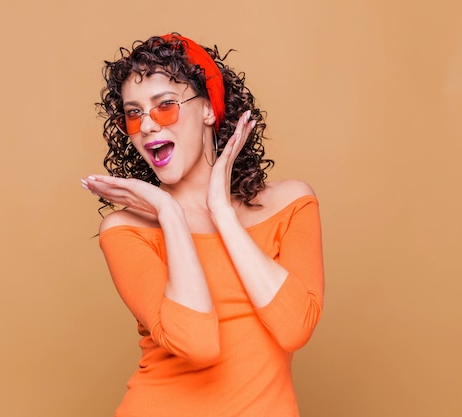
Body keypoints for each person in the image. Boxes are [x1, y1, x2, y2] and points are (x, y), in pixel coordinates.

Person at [81, 32, 324, 417]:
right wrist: (169, 213)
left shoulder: (290, 203)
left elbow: (294, 328)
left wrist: (221, 211)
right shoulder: (126, 229)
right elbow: (198, 343)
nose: (146, 125)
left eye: (165, 106)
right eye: (133, 113)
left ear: (209, 109)